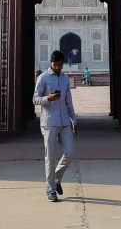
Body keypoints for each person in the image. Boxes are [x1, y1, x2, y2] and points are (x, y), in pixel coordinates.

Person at [33, 50, 78, 202]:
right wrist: (48, 98)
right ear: (50, 63)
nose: (57, 67)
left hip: (64, 122)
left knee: (70, 153)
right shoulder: (43, 78)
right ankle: (51, 189)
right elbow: (35, 99)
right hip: (49, 123)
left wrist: (74, 120)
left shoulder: (65, 79)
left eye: (60, 65)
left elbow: (68, 102)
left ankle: (57, 178)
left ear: (63, 64)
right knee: (50, 158)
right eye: (55, 65)